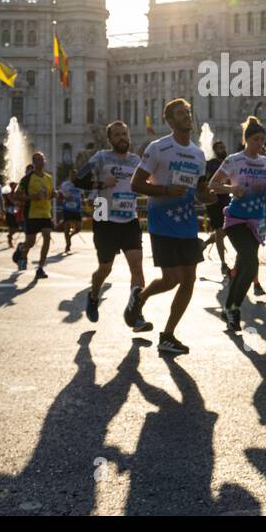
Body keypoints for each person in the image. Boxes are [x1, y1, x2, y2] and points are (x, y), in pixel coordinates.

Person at [125, 98, 213, 354]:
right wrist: (164, 189)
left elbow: (197, 191)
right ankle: (139, 298)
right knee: (171, 279)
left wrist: (207, 196)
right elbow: (135, 184)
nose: (187, 116)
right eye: (180, 113)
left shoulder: (198, 154)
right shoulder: (158, 148)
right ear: (170, 121)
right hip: (162, 223)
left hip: (187, 225)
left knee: (189, 280)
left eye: (188, 112)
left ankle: (168, 335)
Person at [209, 116, 266, 332]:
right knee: (252, 263)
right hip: (235, 220)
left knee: (241, 267)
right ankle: (235, 308)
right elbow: (213, 184)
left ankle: (228, 307)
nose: (259, 144)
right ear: (247, 140)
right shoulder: (234, 160)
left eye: (262, 140)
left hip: (255, 222)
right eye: (256, 139)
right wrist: (232, 190)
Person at [78, 121, 148, 325]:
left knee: (137, 266)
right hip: (103, 216)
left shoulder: (136, 161)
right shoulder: (100, 157)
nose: (122, 138)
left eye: (124, 134)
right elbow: (79, 179)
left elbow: (148, 182)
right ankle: (93, 296)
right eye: (117, 135)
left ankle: (136, 313)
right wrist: (100, 184)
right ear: (110, 139)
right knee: (105, 269)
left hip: (129, 218)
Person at [13, 153, 53, 279]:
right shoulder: (27, 178)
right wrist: (32, 197)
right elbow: (17, 195)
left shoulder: (49, 178)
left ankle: (40, 267)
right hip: (32, 213)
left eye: (42, 160)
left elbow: (50, 194)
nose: (41, 162)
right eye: (38, 160)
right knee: (31, 242)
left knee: (47, 236)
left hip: (45, 213)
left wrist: (55, 194)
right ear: (34, 163)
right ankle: (22, 249)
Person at [202, 139, 233, 284]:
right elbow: (204, 181)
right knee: (220, 231)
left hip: (226, 199)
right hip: (214, 201)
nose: (222, 149)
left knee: (229, 228)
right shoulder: (211, 164)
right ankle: (223, 263)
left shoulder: (229, 162)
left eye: (223, 147)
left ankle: (206, 243)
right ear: (215, 150)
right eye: (220, 147)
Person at [58, 173, 83, 254]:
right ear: (70, 176)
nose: (73, 177)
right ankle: (67, 244)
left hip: (77, 209)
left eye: (75, 176)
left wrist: (83, 201)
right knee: (67, 226)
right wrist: (65, 197)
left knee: (78, 228)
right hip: (67, 208)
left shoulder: (80, 184)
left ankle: (69, 237)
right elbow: (60, 194)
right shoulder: (65, 184)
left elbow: (82, 195)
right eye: (72, 176)